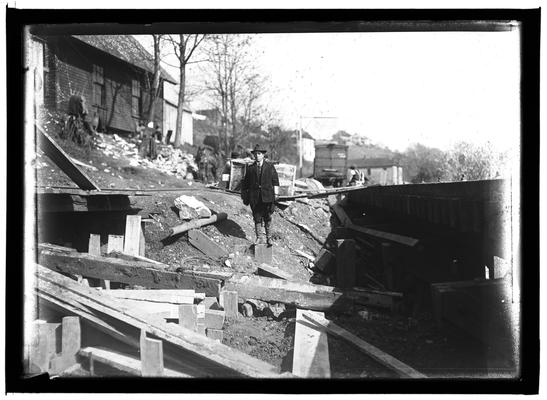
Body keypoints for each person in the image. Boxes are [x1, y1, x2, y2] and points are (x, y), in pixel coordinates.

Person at [241, 144, 280, 246]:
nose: (257, 156)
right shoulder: (250, 168)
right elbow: (245, 184)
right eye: (255, 154)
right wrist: (245, 196)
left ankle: (269, 238)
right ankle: (259, 238)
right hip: (255, 198)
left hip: (267, 197)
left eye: (259, 154)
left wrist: (276, 195)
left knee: (267, 217)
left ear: (263, 155)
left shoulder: (270, 167)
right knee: (257, 217)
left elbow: (275, 181)